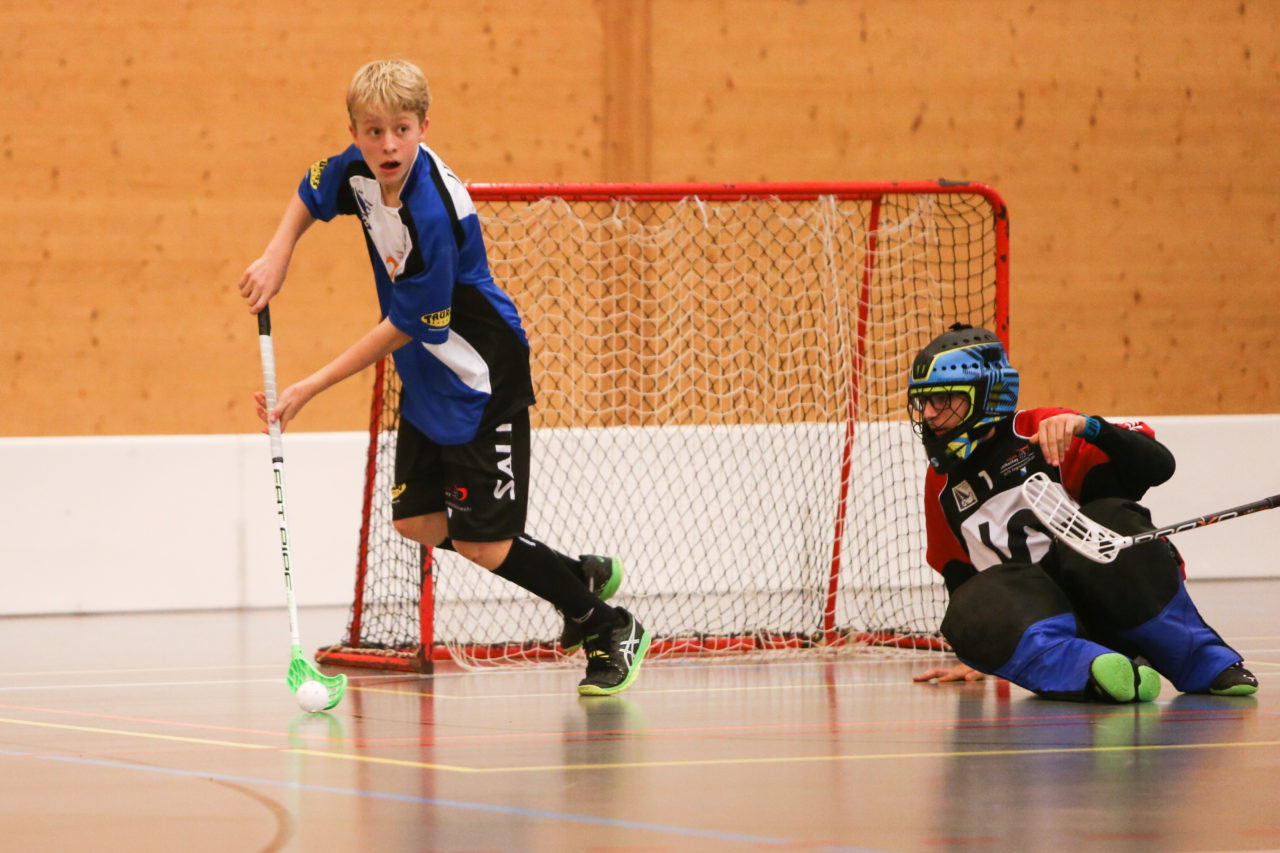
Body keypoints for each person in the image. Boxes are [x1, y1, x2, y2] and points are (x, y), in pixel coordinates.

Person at [237, 59, 648, 696]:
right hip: (428, 375)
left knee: (485, 545)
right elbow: (311, 189)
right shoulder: (356, 168)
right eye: (373, 132)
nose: (387, 145)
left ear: (424, 126)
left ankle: (606, 623)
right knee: (420, 521)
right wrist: (277, 252)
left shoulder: (432, 214)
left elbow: (405, 324)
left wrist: (305, 389)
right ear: (356, 131)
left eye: (401, 129)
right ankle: (575, 573)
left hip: (480, 377)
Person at [907, 324, 1258, 702]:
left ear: (987, 393)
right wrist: (976, 645)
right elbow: (961, 579)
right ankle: (1098, 670)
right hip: (1048, 627)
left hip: (1117, 600)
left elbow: (1159, 467)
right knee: (965, 611)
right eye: (923, 401)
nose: (928, 413)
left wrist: (1091, 428)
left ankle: (1202, 661)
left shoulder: (1042, 428)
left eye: (944, 399)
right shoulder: (939, 486)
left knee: (1110, 517)